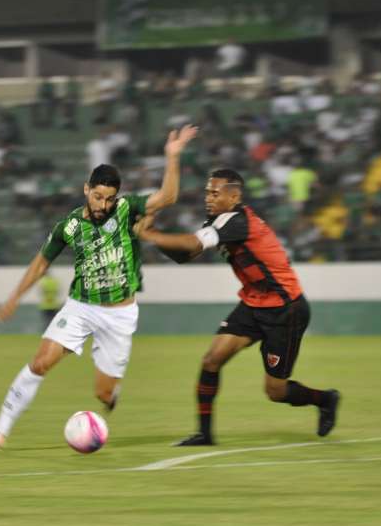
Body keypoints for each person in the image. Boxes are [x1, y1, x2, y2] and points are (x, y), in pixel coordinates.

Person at [0, 126, 199, 452]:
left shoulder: (126, 209)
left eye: (109, 198)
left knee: (103, 394)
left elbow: (168, 197)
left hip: (120, 315)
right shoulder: (68, 226)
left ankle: (111, 395)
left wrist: (172, 157)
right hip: (81, 307)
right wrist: (13, 299)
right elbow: (40, 264)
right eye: (97, 196)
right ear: (86, 189)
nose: (103, 204)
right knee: (41, 362)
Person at [134, 168, 340, 446]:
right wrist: (152, 235)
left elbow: (192, 243)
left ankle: (325, 399)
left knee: (275, 391)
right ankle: (205, 434)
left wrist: (150, 235)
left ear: (234, 197)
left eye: (214, 193)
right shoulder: (218, 221)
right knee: (211, 360)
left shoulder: (238, 222)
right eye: (207, 192)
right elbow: (186, 254)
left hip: (285, 309)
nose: (208, 198)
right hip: (254, 303)